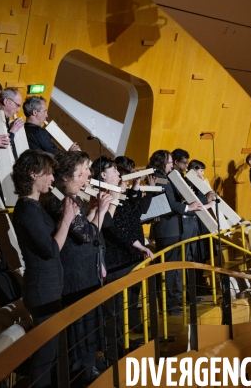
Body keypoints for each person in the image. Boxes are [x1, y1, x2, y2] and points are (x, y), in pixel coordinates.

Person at [40, 151, 113, 382]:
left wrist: (93, 210)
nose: (88, 176)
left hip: (84, 269)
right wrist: (101, 210)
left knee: (89, 316)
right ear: (68, 176)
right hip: (74, 271)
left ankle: (90, 360)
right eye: (83, 172)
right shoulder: (59, 200)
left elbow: (85, 228)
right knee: (80, 320)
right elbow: (87, 234)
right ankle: (83, 367)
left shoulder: (73, 197)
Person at [11, 150, 78, 388]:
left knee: (52, 350)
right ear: (32, 174)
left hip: (50, 285)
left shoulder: (35, 206)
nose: (52, 179)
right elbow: (50, 249)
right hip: (42, 288)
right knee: (45, 353)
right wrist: (67, 220)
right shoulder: (26, 209)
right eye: (48, 174)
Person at [92, 156, 152, 341]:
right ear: (103, 174)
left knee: (126, 303)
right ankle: (116, 347)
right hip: (115, 257)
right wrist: (139, 245)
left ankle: (123, 341)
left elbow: (132, 215)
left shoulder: (115, 193)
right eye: (115, 171)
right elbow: (113, 226)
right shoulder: (101, 195)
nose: (119, 173)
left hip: (128, 252)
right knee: (115, 307)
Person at [149, 150, 203, 314]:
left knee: (173, 269)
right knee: (169, 271)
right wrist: (188, 207)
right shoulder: (158, 177)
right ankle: (169, 305)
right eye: (169, 162)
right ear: (161, 162)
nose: (172, 165)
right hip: (167, 230)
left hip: (172, 228)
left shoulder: (166, 177)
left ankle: (173, 302)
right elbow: (169, 203)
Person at [184, 159, 217, 294]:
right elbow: (194, 205)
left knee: (202, 256)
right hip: (194, 226)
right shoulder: (188, 184)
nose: (202, 174)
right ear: (193, 171)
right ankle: (195, 287)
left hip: (202, 225)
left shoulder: (200, 185)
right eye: (201, 171)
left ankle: (200, 284)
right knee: (195, 257)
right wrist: (209, 202)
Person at [0, 87, 26, 159]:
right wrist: (12, 131)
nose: (18, 110)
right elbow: (2, 148)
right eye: (17, 105)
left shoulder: (5, 118)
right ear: (6, 101)